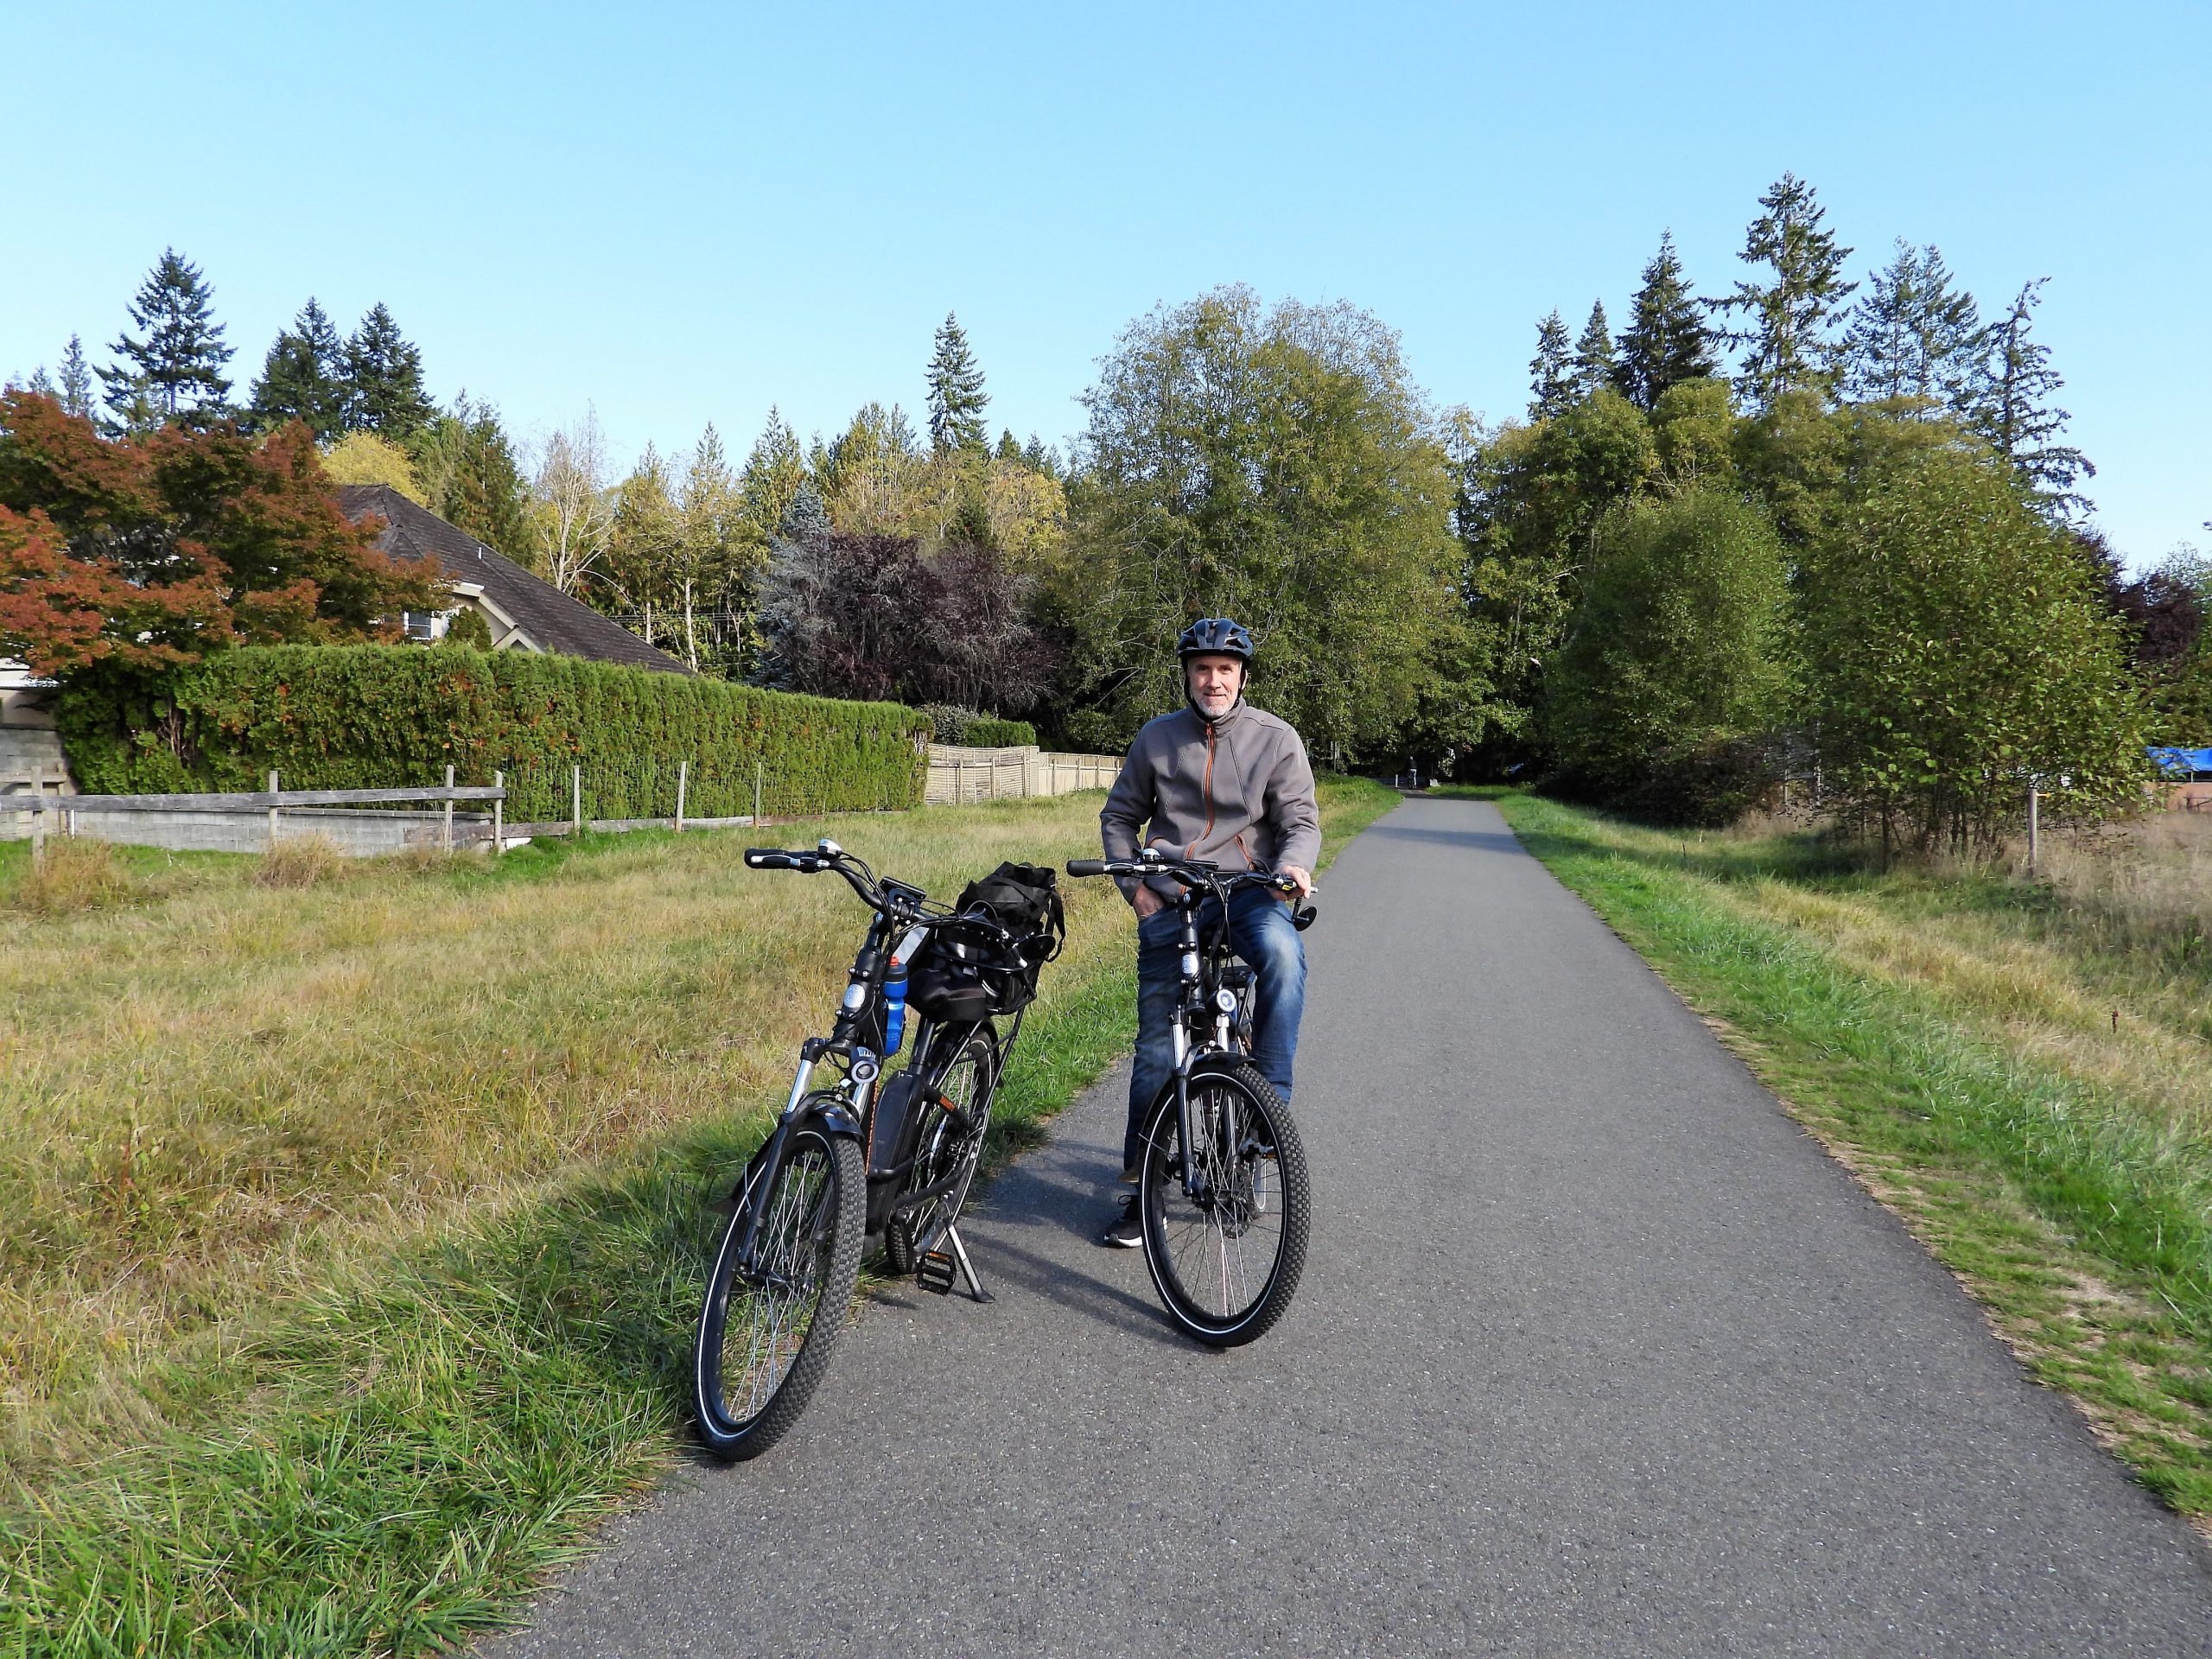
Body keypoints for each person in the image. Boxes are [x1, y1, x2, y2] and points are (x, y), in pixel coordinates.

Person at [1096, 617, 1319, 1247]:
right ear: (1187, 676)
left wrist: (1294, 866)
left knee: (1282, 951)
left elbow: (1300, 819)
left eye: (1225, 669)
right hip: (1174, 898)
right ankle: (1144, 1189)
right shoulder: (1156, 739)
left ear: (1242, 676)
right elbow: (1119, 819)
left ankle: (1265, 1111)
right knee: (1156, 1053)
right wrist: (1136, 891)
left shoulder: (1276, 738)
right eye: (1202, 669)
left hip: (1249, 893)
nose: (1213, 680)